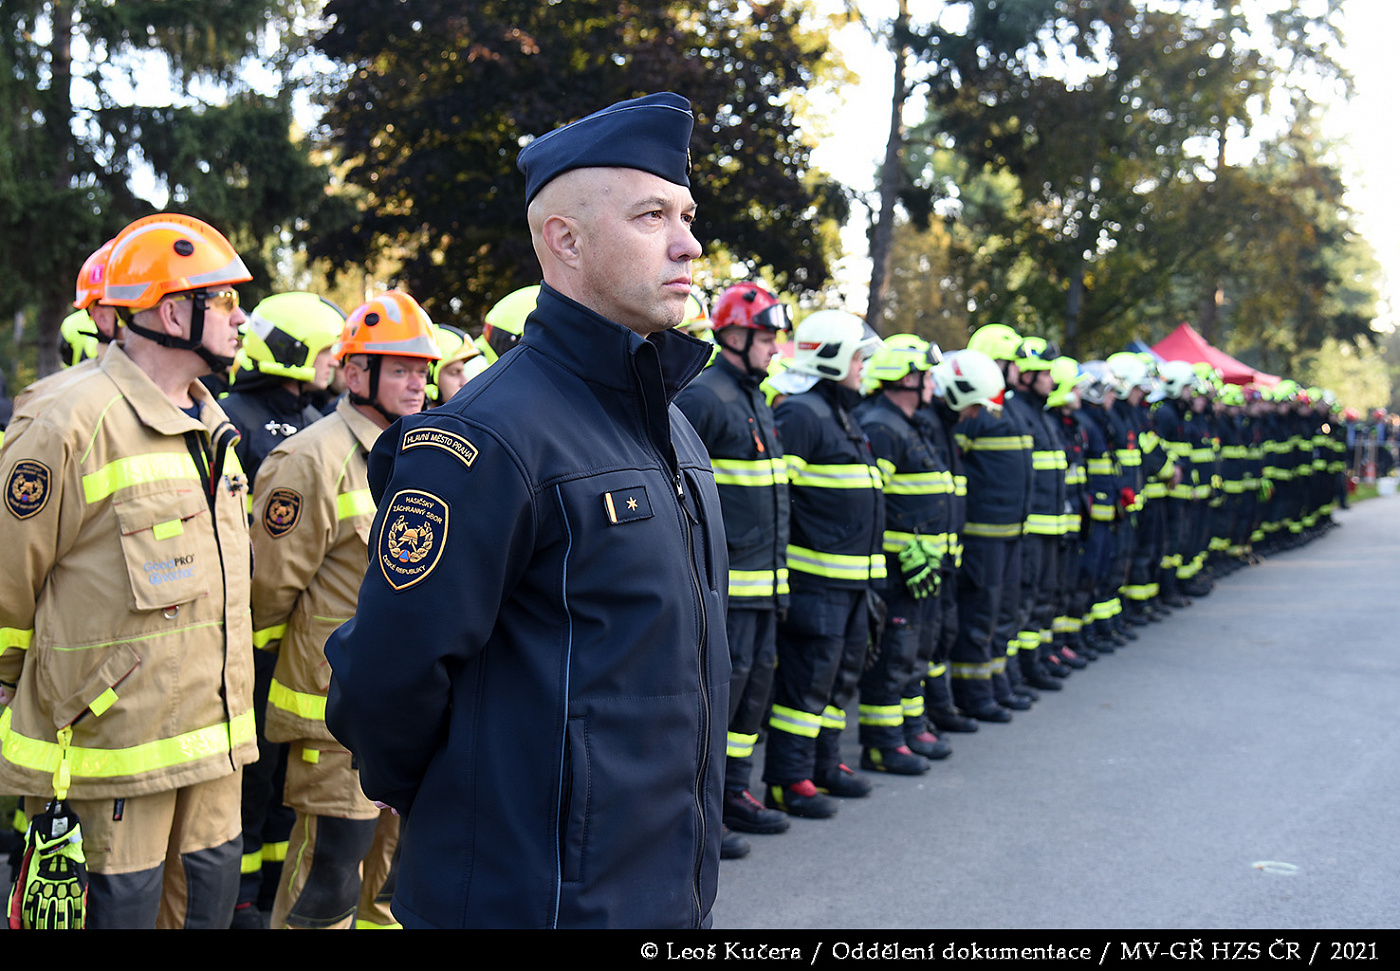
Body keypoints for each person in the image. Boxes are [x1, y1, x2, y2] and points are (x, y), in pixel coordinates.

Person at [322, 92, 729, 929]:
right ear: (565, 240)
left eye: (686, 214)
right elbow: (384, 687)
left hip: (663, 894)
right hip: (528, 901)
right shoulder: (486, 437)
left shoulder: (674, 427)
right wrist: (480, 819)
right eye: (653, 214)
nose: (689, 241)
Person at [0, 212, 256, 928]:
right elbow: (6, 580)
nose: (241, 319)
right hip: (109, 760)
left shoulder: (212, 425)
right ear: (174, 310)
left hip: (215, 757)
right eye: (225, 299)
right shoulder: (66, 421)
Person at [252, 291, 440, 929]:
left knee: (390, 884)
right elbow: (268, 590)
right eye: (402, 369)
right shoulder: (310, 458)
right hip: (330, 712)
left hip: (408, 707)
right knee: (327, 878)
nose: (417, 383)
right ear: (357, 373)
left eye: (422, 370)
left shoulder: (427, 451)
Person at [675, 281, 792, 860]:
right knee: (717, 703)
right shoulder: (706, 398)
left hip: (765, 585)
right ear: (736, 335)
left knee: (751, 700)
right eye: (766, 337)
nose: (774, 348)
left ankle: (735, 795)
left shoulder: (753, 399)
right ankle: (702, 813)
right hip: (727, 591)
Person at [761, 309, 884, 818]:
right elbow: (779, 500)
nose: (864, 368)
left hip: (855, 582)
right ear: (833, 359)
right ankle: (789, 779)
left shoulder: (841, 412)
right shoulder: (802, 415)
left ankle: (825, 764)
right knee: (806, 683)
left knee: (840, 681)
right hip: (819, 582)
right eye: (858, 357)